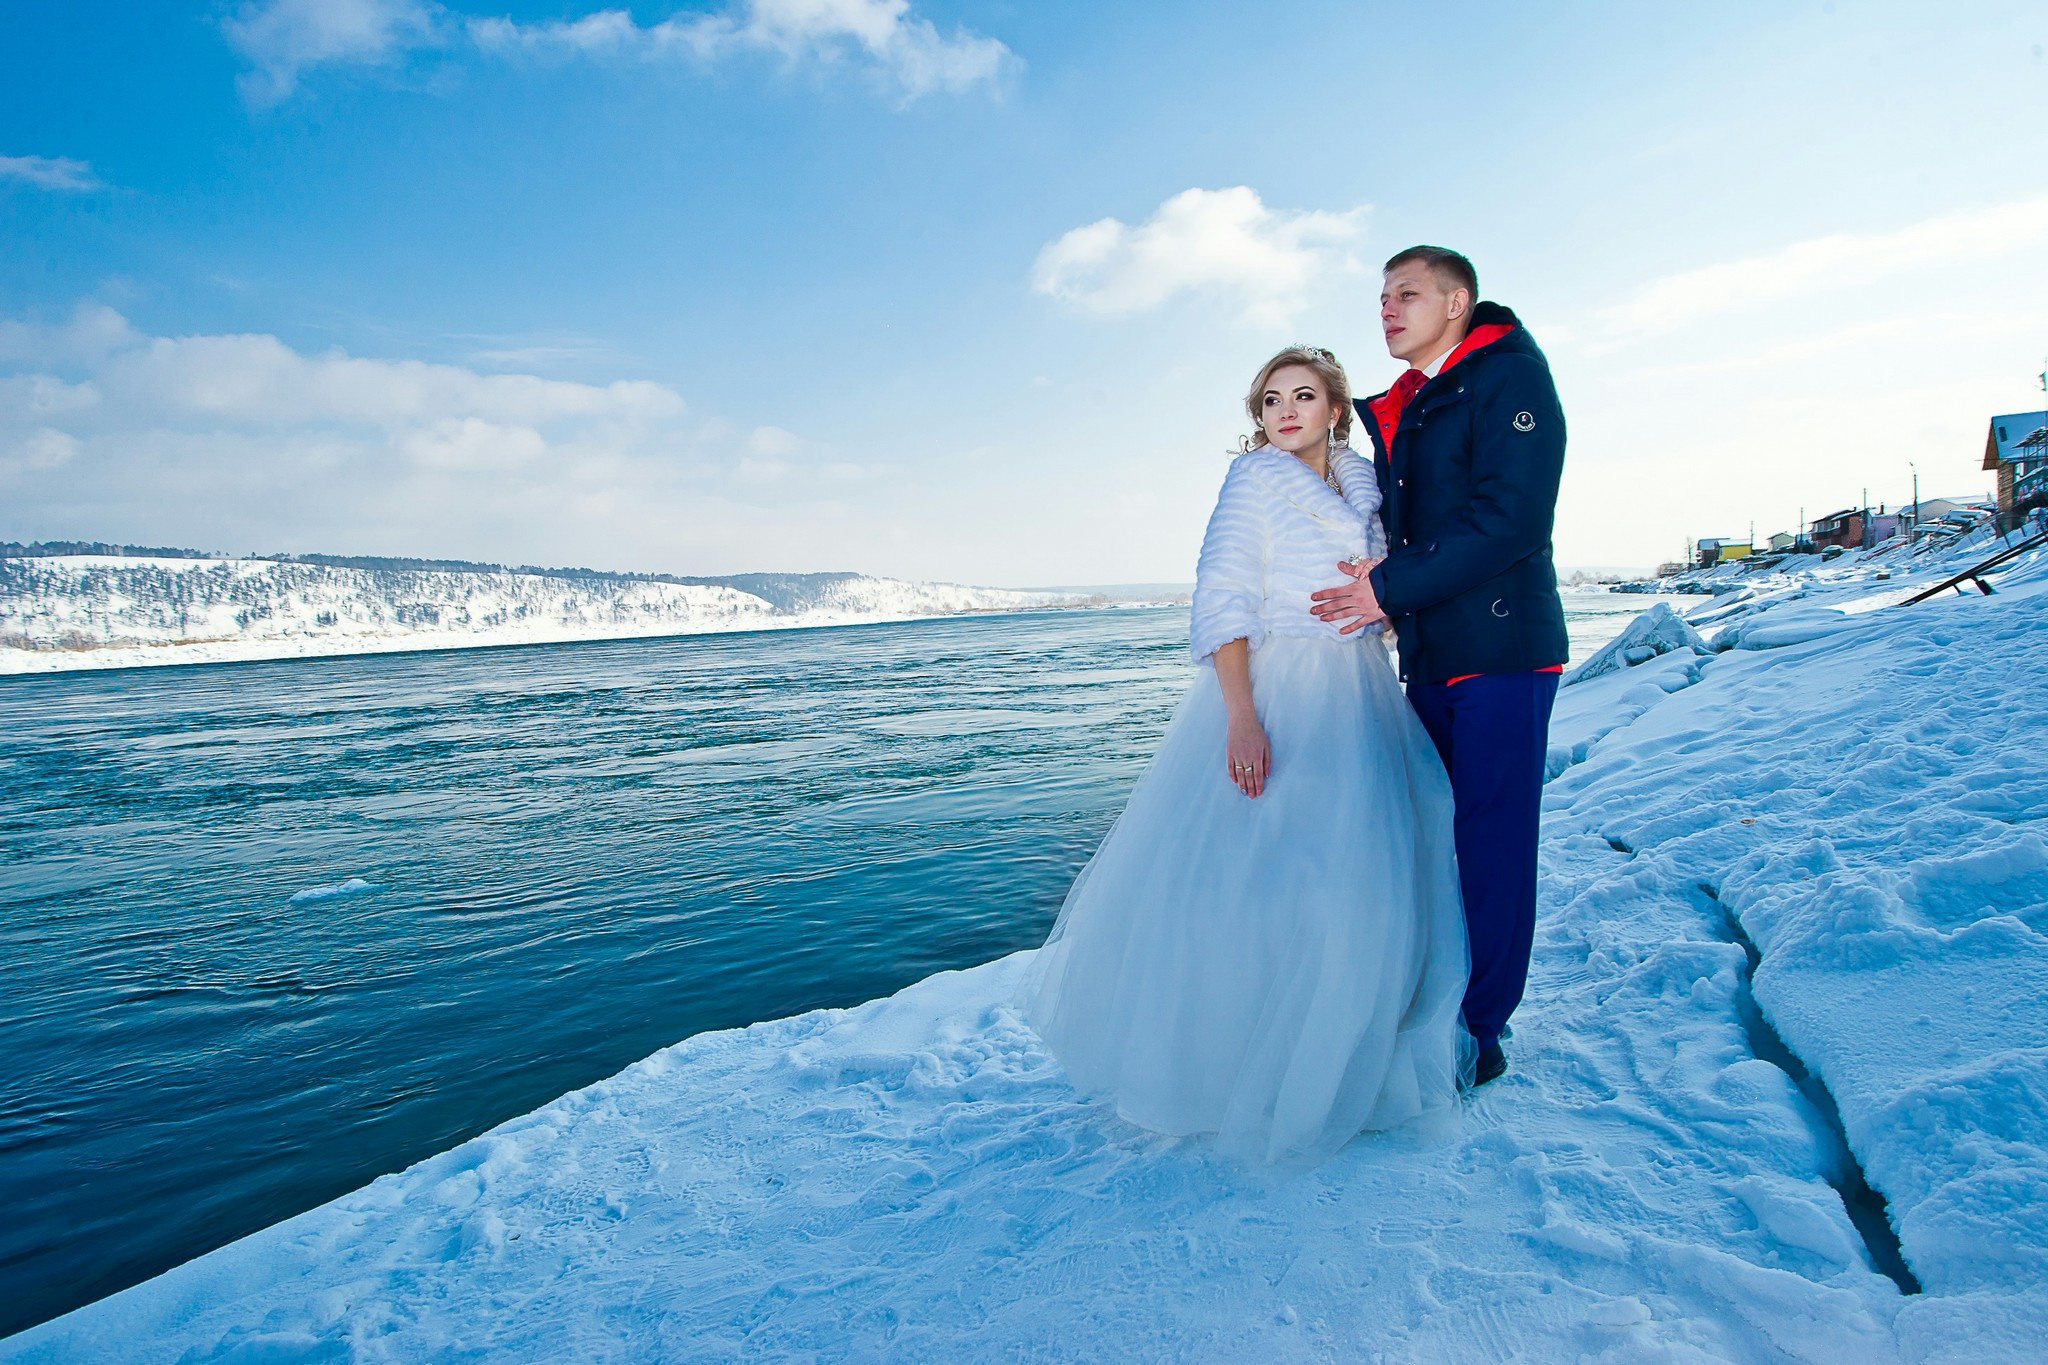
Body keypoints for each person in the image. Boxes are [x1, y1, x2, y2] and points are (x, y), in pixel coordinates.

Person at [1016, 346, 1472, 1167]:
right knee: (1257, 883)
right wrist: (1241, 718)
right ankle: (1231, 1069)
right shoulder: (1253, 483)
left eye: (1303, 395)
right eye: (1270, 400)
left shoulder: (1368, 482)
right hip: (1281, 690)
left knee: (1360, 879)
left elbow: (1383, 588)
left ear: (1336, 407)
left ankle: (1341, 1062)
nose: (1285, 411)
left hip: (1361, 692)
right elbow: (1223, 598)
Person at [1310, 247, 1568, 1088]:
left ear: (1457, 301)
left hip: (1501, 652)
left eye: (1407, 294)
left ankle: (1477, 1030)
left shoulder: (1507, 378)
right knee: (1428, 840)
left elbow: (1511, 518)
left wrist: (1386, 589)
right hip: (1430, 655)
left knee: (1490, 845)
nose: (1387, 309)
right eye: (1381, 296)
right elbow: (1404, 532)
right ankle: (1431, 1000)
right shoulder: (1410, 405)